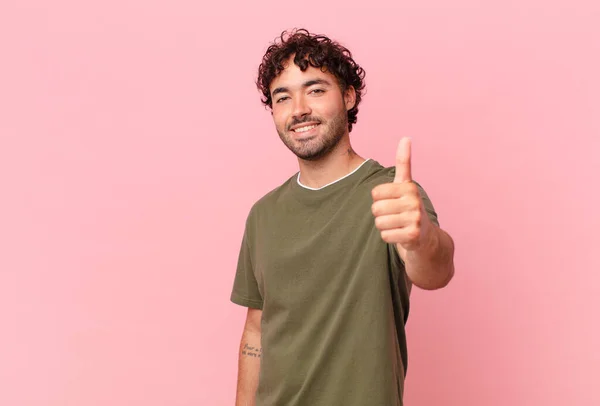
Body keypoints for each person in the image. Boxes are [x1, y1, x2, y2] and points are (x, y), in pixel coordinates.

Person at [230, 28, 455, 406]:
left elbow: (435, 270)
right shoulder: (263, 214)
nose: (299, 108)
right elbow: (256, 330)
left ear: (349, 97)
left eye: (315, 90)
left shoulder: (392, 195)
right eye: (282, 97)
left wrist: (421, 239)